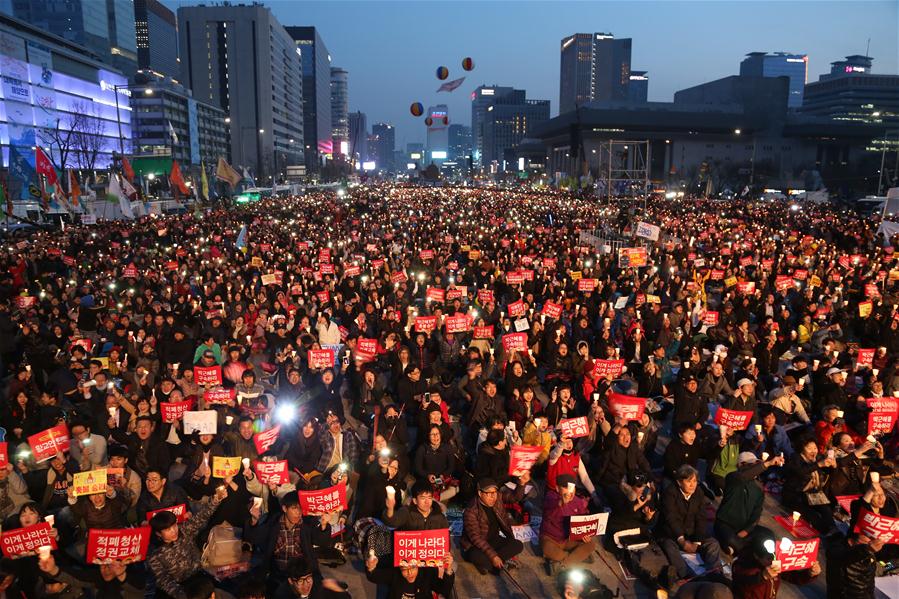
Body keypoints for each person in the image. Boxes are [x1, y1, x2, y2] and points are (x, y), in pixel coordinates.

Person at [147, 484, 227, 599]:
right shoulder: (155, 554)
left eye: (174, 526)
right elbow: (165, 582)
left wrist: (216, 499)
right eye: (168, 530)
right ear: (159, 533)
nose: (174, 531)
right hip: (179, 588)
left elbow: (201, 517)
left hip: (198, 576)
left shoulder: (184, 530)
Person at [658, 465, 722, 582]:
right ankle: (687, 575)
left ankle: (715, 573)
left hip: (691, 533)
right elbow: (670, 518)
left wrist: (697, 542)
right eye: (689, 481)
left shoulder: (698, 493)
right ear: (679, 482)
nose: (693, 485)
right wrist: (682, 541)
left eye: (695, 481)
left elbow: (701, 518)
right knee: (669, 547)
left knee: (713, 543)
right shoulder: (670, 493)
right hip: (673, 534)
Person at [714, 452, 785, 555]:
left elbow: (757, 513)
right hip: (725, 524)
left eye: (756, 464)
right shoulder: (732, 477)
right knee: (732, 540)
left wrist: (746, 530)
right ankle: (738, 547)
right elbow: (743, 476)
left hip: (744, 528)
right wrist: (768, 463)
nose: (755, 468)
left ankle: (737, 547)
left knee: (768, 535)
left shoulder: (758, 488)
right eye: (751, 465)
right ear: (740, 465)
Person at [461, 476, 528, 574]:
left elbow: (515, 498)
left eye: (495, 492)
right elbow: (476, 538)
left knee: (518, 545)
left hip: (494, 539)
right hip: (476, 545)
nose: (493, 496)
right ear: (480, 493)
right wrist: (494, 556)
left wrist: (521, 484)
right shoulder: (471, 511)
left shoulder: (498, 497)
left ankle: (490, 565)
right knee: (475, 555)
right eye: (489, 493)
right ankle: (494, 564)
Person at [732, 527, 820, 599]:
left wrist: (809, 574)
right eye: (769, 558)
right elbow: (741, 586)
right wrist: (763, 577)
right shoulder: (743, 565)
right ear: (756, 556)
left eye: (775, 554)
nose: (773, 561)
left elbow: (793, 577)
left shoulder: (776, 561)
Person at [539, 473, 597, 575]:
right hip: (551, 538)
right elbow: (550, 510)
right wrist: (562, 502)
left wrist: (586, 534)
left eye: (572, 487)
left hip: (569, 538)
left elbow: (584, 520)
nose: (570, 491)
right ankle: (575, 557)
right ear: (557, 488)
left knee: (591, 544)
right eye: (565, 487)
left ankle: (563, 564)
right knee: (547, 549)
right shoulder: (551, 496)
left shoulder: (578, 502)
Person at [364, 551, 455, 599]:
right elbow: (374, 576)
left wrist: (449, 568)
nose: (410, 573)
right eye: (404, 570)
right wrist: (371, 567)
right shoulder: (395, 574)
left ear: (418, 566)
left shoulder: (427, 573)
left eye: (413, 568)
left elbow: (444, 589)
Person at [825, 531, 884, 599]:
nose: (871, 542)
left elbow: (872, 581)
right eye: (867, 536)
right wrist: (866, 549)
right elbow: (846, 556)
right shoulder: (837, 550)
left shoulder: (870, 555)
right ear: (851, 541)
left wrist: (891, 564)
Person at [382, 479, 449, 531]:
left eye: (429, 498)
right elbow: (392, 522)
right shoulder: (407, 512)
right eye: (423, 498)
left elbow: (445, 538)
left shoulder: (439, 515)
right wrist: (390, 508)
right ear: (415, 500)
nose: (427, 502)